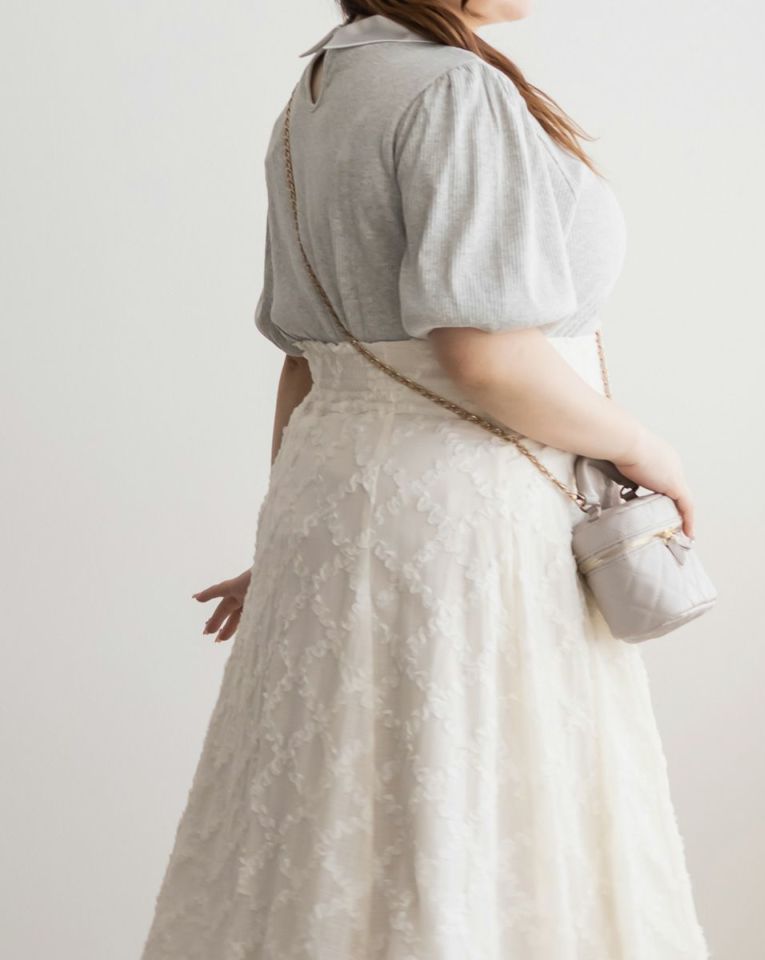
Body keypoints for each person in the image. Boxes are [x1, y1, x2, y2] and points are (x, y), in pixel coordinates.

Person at [139, 3, 709, 958]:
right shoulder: (454, 88)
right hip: (465, 521)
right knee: (469, 810)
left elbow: (308, 364)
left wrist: (280, 542)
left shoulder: (314, 97)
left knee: (342, 817)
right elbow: (484, 357)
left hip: (337, 504)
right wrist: (647, 448)